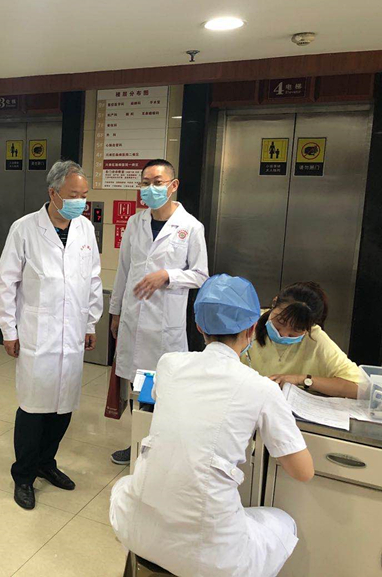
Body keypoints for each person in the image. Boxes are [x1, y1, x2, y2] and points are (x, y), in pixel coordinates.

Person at [110, 274, 314, 577]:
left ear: (198, 326)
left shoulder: (169, 364)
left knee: (125, 487)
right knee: (284, 523)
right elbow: (303, 472)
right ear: (252, 329)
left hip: (136, 530)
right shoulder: (262, 389)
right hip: (212, 557)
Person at [0, 160, 103, 510]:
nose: (79, 202)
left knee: (64, 405)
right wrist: (8, 330)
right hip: (36, 332)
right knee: (34, 407)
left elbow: (93, 278)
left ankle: (46, 462)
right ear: (53, 193)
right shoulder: (25, 229)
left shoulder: (85, 229)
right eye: (73, 195)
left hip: (73, 331)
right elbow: (5, 282)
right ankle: (23, 475)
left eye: (84, 195)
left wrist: (90, 323)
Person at [109, 159, 208, 466]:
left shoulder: (190, 227)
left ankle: (160, 449)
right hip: (133, 319)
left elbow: (201, 275)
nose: (150, 188)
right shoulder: (135, 223)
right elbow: (124, 270)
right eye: (145, 182)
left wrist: (167, 275)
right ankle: (137, 443)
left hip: (165, 326)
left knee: (164, 390)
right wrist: (115, 312)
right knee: (135, 387)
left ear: (173, 185)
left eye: (157, 182)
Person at [243, 281, 360, 398]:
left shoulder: (315, 340)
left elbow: (358, 388)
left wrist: (303, 380)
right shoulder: (246, 324)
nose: (284, 334)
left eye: (297, 329)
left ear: (310, 326)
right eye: (280, 321)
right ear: (274, 302)